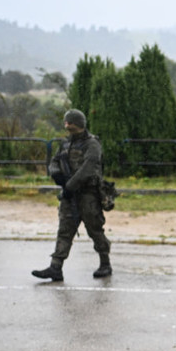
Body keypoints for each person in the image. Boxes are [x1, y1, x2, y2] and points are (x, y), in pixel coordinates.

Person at [32, 109, 111, 281]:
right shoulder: (65, 144)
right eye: (66, 122)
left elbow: (89, 168)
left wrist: (70, 185)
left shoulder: (92, 144)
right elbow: (54, 162)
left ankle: (105, 263)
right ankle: (56, 267)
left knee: (95, 230)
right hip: (69, 195)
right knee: (65, 230)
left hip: (88, 195)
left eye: (70, 122)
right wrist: (57, 175)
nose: (67, 125)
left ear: (79, 123)